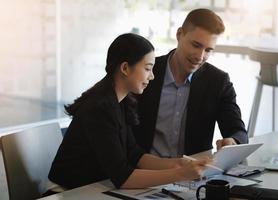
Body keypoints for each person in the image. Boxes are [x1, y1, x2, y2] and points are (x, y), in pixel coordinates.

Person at [47, 33, 212, 192]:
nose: (152, 76)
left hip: (91, 188)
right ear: (125, 68)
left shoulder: (121, 100)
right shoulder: (99, 108)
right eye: (148, 69)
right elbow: (123, 178)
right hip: (66, 193)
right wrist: (180, 174)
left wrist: (181, 163)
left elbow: (135, 155)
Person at [132, 9, 248, 158]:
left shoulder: (218, 82)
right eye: (196, 45)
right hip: (146, 173)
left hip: (193, 176)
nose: (200, 57)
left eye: (208, 50)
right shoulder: (146, 72)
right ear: (179, 34)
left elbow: (238, 131)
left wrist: (232, 141)